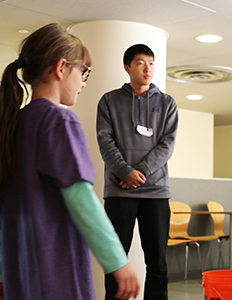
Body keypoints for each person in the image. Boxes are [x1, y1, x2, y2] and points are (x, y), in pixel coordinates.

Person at [0, 23, 140, 300]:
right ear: (61, 68)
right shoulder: (58, 120)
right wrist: (118, 261)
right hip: (55, 268)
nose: (84, 82)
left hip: (18, 267)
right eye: (83, 71)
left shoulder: (12, 123)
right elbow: (81, 199)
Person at [96, 44, 178, 300]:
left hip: (156, 193)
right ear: (127, 67)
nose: (148, 68)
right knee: (115, 262)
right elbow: (105, 141)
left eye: (151, 63)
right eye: (141, 62)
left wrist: (139, 172)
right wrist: (124, 173)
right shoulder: (109, 100)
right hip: (119, 192)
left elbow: (167, 144)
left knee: (158, 265)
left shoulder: (167, 103)